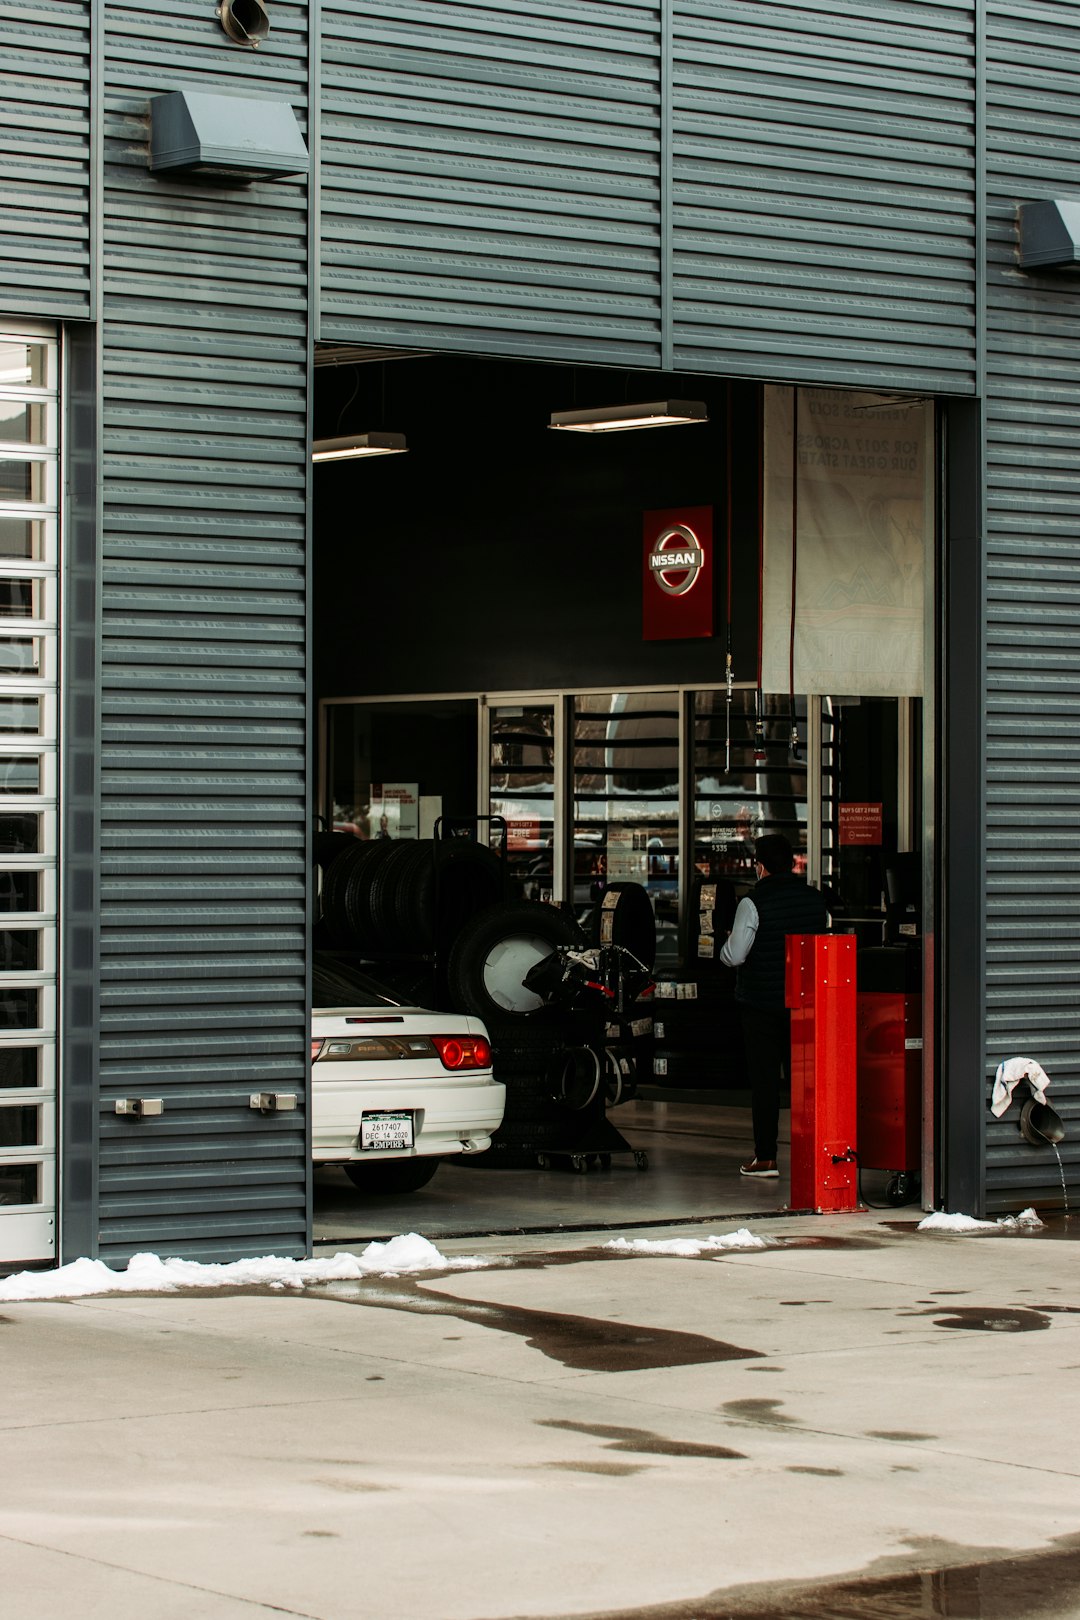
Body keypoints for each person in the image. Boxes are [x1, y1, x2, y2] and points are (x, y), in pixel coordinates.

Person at [720, 833, 830, 1178]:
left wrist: (722, 949)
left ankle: (766, 1157)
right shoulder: (815, 900)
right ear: (793, 862)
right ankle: (816, 1155)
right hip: (807, 1006)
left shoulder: (752, 903)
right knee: (807, 1083)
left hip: (762, 1005)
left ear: (761, 866)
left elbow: (735, 954)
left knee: (765, 1083)